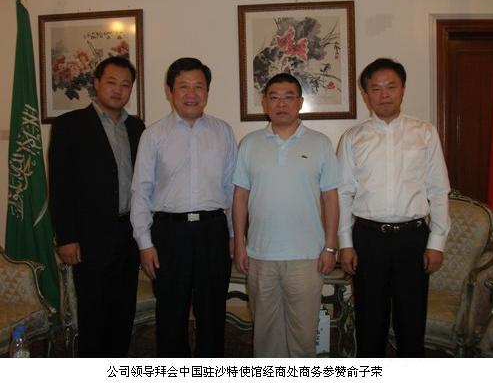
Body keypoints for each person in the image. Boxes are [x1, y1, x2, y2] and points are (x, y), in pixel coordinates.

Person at [337, 58, 451, 357]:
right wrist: (345, 244)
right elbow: (344, 194)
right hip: (368, 238)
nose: (384, 94)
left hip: (413, 238)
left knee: (411, 321)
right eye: (375, 88)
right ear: (365, 94)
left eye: (391, 87)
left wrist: (436, 243)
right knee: (369, 320)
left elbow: (438, 190)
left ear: (403, 89)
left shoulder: (425, 132)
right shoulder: (353, 138)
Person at [131, 57, 236, 357]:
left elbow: (232, 188)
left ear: (207, 91)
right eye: (183, 87)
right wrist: (145, 244)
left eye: (198, 87)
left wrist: (234, 235)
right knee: (171, 313)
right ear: (169, 91)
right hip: (169, 234)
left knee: (212, 312)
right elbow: (140, 191)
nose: (192, 94)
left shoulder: (223, 131)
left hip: (213, 231)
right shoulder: (153, 135)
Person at [233, 73, 339, 357]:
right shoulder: (249, 144)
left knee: (303, 336)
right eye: (274, 97)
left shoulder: (320, 143)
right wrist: (239, 243)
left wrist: (330, 246)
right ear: (265, 102)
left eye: (288, 97)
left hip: (307, 256)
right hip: (260, 255)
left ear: (300, 102)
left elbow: (330, 198)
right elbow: (240, 196)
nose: (281, 103)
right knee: (265, 334)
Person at [49, 56, 145, 357]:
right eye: (111, 82)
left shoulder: (137, 127)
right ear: (96, 83)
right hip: (89, 238)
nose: (118, 90)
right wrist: (66, 237)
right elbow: (60, 186)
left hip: (128, 235)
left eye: (125, 84)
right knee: (93, 315)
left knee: (123, 313)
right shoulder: (69, 126)